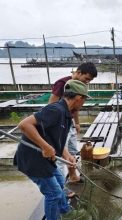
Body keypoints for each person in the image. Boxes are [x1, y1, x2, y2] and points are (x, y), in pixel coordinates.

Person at [14, 80, 90, 220]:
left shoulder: (67, 114)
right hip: (33, 159)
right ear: (79, 98)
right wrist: (45, 146)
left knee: (61, 183)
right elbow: (24, 125)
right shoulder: (56, 110)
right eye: (84, 99)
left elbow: (57, 140)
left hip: (46, 159)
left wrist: (67, 155)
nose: (83, 103)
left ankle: (65, 211)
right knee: (53, 193)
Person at [49, 62, 97, 186]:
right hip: (59, 122)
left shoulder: (80, 86)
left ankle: (73, 176)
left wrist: (77, 123)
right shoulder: (63, 84)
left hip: (69, 121)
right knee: (59, 155)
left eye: (89, 81)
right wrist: (55, 129)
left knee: (72, 151)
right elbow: (51, 105)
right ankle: (60, 186)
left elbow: (74, 107)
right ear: (78, 72)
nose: (87, 82)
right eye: (86, 79)